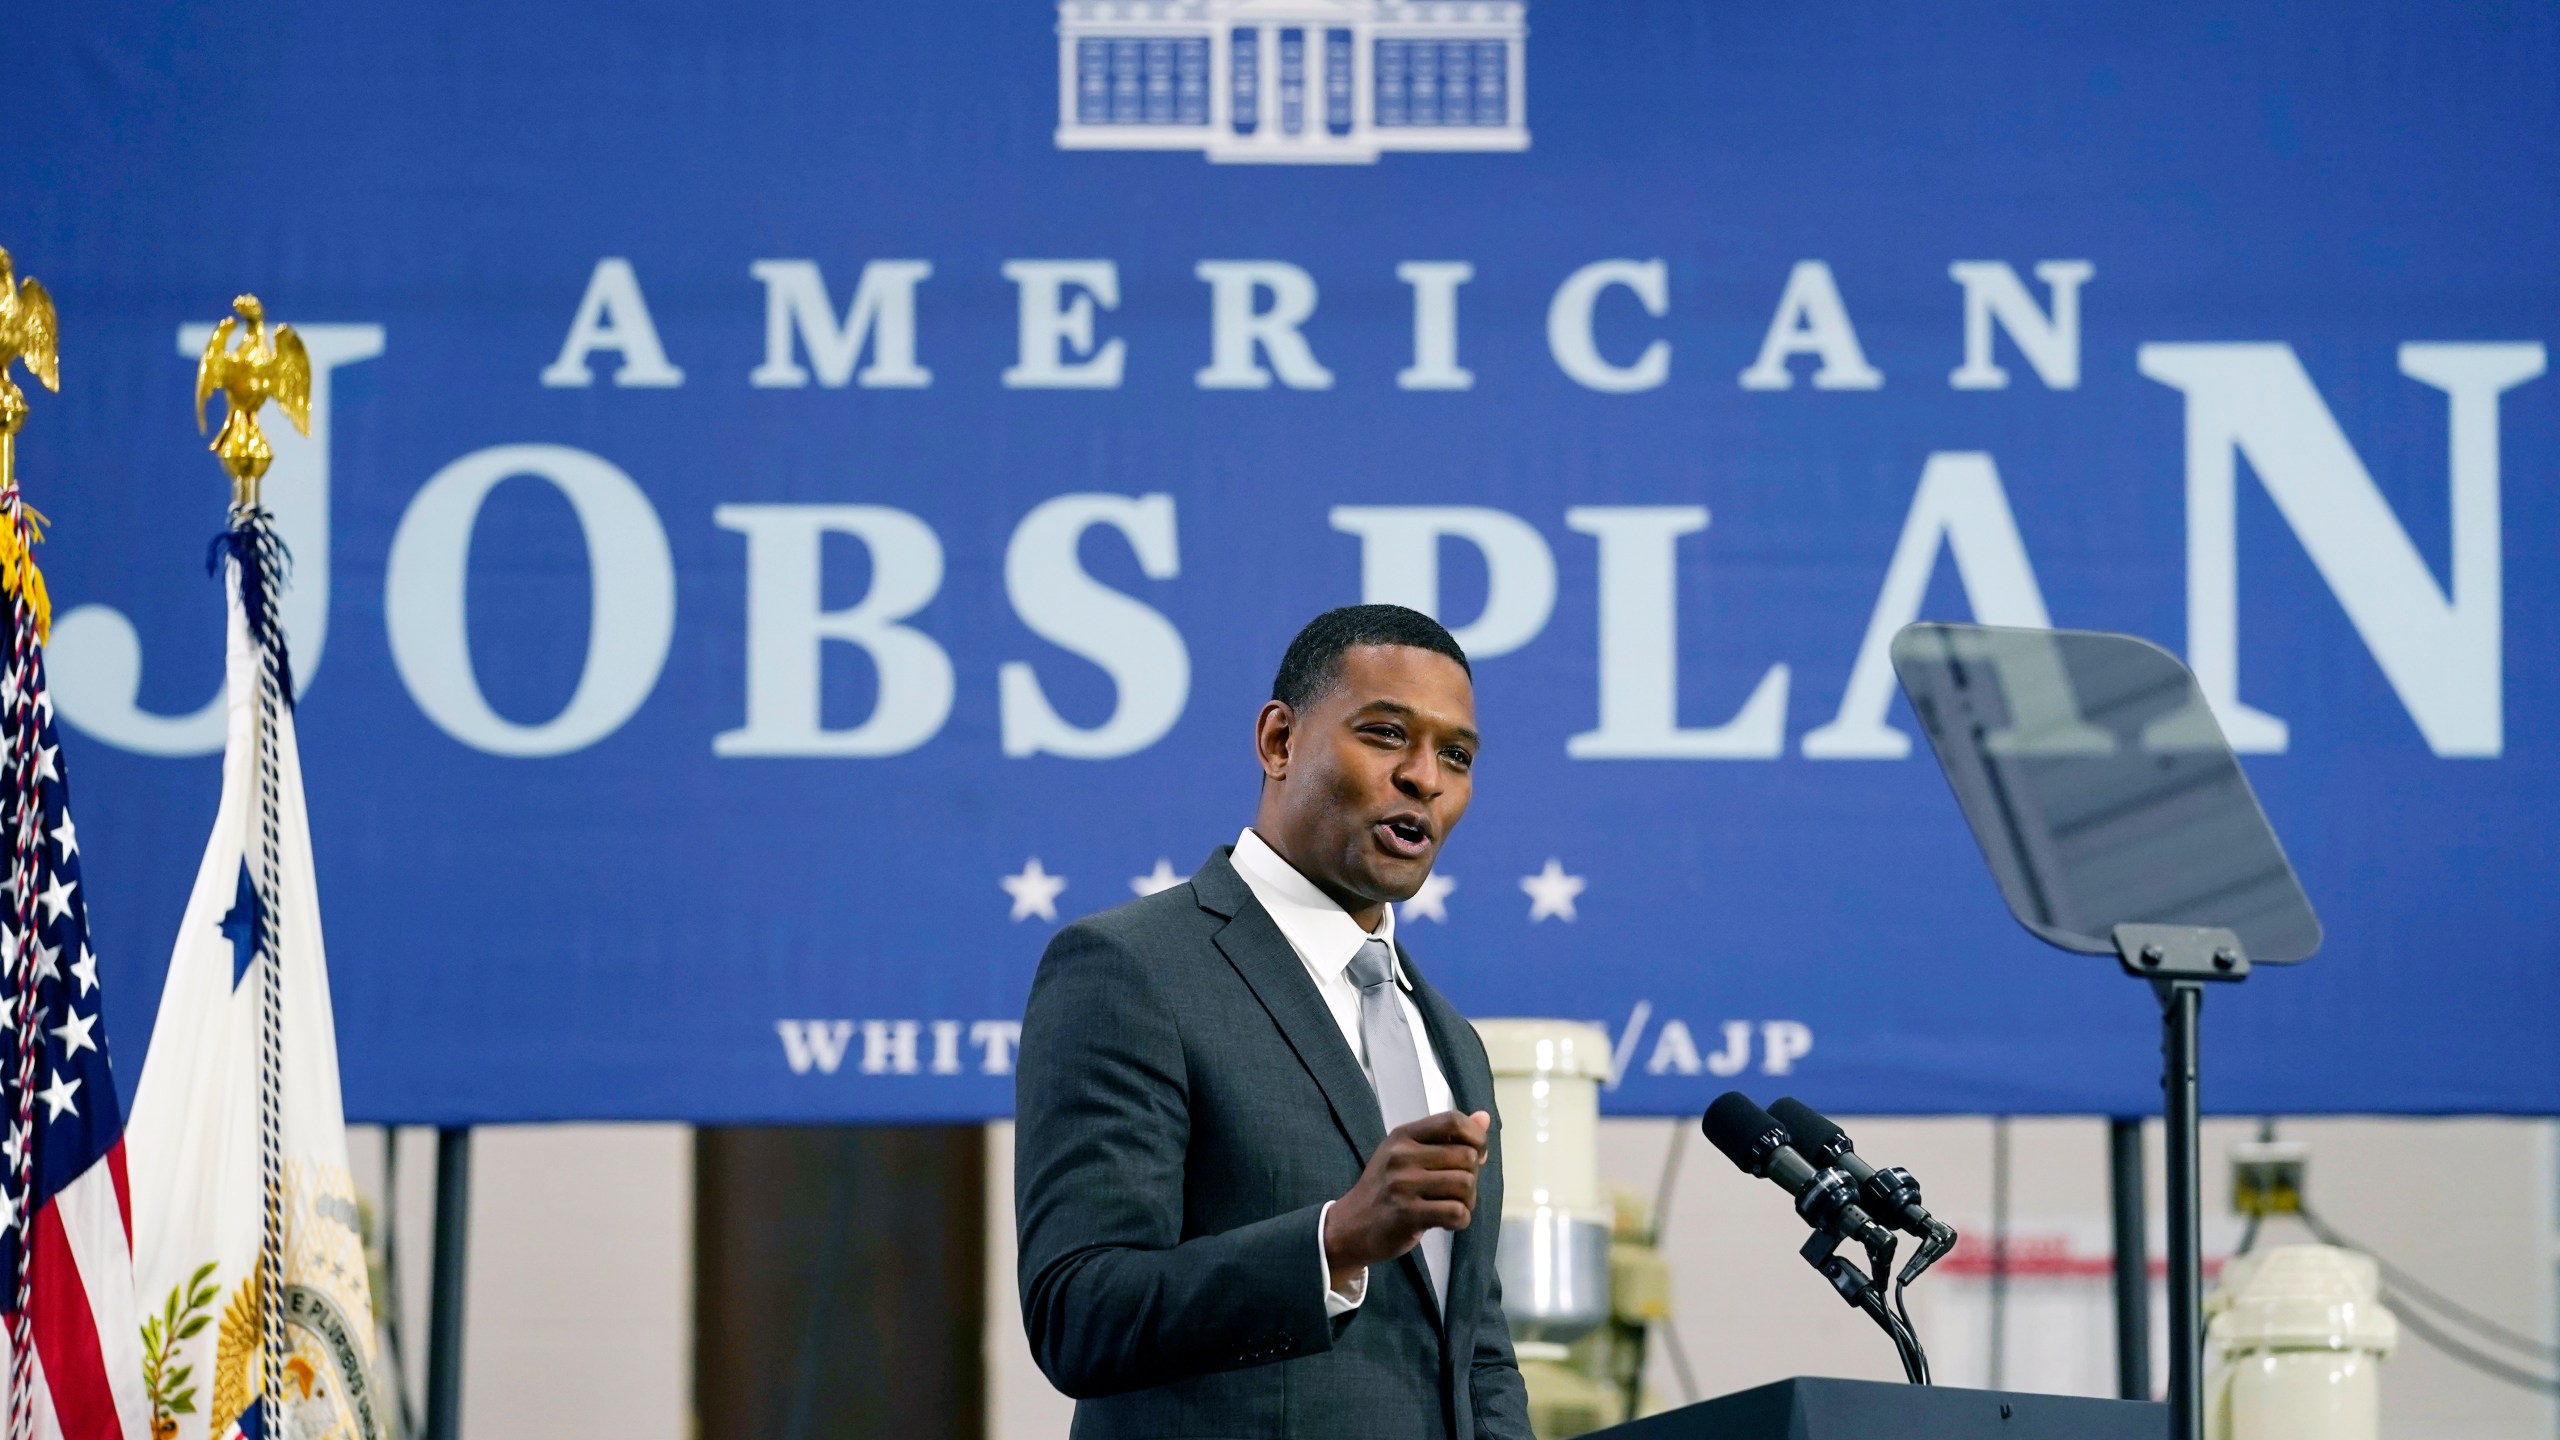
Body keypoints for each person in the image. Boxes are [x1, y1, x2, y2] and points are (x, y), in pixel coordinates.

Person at [1015, 604, 1531, 1440]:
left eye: (1456, 755)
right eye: (1386, 734)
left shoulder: (1451, 1042)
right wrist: (1333, 1242)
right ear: (1280, 742)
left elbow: (1476, 1355)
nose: (1424, 778)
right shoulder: (1134, 967)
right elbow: (1078, 1312)